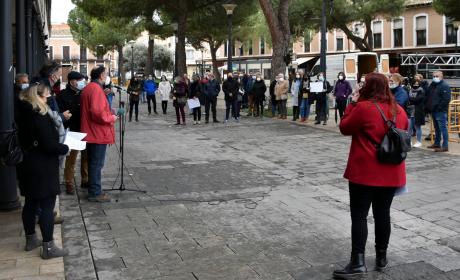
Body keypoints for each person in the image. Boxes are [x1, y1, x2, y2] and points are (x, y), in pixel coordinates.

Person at [334, 72, 408, 278]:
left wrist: (352, 103)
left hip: (365, 173)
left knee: (359, 216)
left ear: (370, 87)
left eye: (363, 84)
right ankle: (381, 258)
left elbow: (344, 127)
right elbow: (405, 130)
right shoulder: (399, 110)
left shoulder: (363, 108)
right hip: (392, 173)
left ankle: (357, 261)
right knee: (382, 214)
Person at [15, 83, 69, 259]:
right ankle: (49, 247)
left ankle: (31, 240)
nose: (48, 99)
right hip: (42, 166)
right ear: (37, 97)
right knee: (47, 205)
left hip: (27, 164)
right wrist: (65, 147)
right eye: (46, 96)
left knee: (30, 202)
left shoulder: (23, 113)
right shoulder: (39, 116)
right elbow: (48, 144)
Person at [80, 66, 117, 202]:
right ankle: (95, 192)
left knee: (93, 163)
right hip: (96, 133)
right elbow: (97, 113)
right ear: (101, 75)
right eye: (106, 74)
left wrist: (108, 110)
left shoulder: (90, 87)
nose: (106, 76)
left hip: (91, 132)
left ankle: (94, 189)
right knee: (96, 164)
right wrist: (111, 118)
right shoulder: (95, 89)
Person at [56, 71, 88, 194]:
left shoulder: (84, 93)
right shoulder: (62, 95)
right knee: (71, 159)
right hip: (72, 131)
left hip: (85, 129)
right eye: (78, 80)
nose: (81, 82)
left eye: (82, 79)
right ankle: (68, 181)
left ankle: (85, 179)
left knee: (86, 157)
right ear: (71, 82)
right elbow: (61, 115)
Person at [426, 71, 451, 152]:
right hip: (434, 110)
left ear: (441, 76)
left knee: (443, 128)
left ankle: (445, 146)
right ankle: (437, 143)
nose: (435, 77)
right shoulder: (434, 85)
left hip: (440, 111)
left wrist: (439, 108)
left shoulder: (444, 85)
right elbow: (429, 94)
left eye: (437, 76)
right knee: (437, 128)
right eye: (433, 76)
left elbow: (446, 99)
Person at [408, 80, 426, 148]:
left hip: (418, 111)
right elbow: (409, 99)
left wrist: (411, 99)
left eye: (417, 84)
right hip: (410, 111)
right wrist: (412, 99)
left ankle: (419, 141)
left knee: (417, 127)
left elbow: (417, 100)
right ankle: (409, 141)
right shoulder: (410, 90)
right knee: (409, 127)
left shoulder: (421, 91)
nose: (415, 85)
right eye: (414, 84)